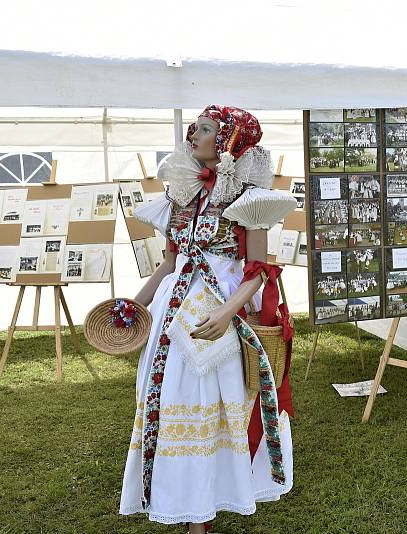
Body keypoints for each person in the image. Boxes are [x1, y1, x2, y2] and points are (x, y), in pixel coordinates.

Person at [120, 106, 294, 533]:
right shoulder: (180, 192)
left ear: (228, 141)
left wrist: (226, 311)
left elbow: (258, 270)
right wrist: (132, 306)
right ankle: (180, 497)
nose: (192, 136)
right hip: (171, 313)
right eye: (194, 128)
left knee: (208, 403)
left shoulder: (249, 198)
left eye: (204, 130)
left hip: (218, 311)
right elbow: (167, 265)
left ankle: (206, 502)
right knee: (169, 396)